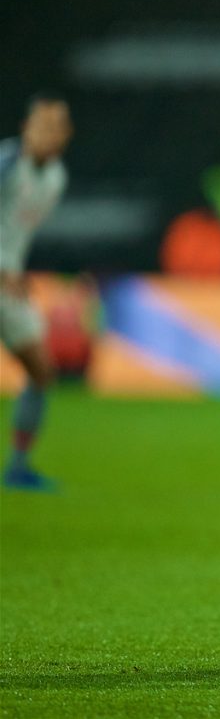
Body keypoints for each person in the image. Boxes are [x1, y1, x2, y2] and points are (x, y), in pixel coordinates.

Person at [0, 93, 73, 491]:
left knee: (41, 370)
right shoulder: (7, 165)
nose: (49, 133)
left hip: (7, 287)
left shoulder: (55, 177)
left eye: (56, 126)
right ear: (25, 128)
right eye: (41, 125)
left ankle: (18, 467)